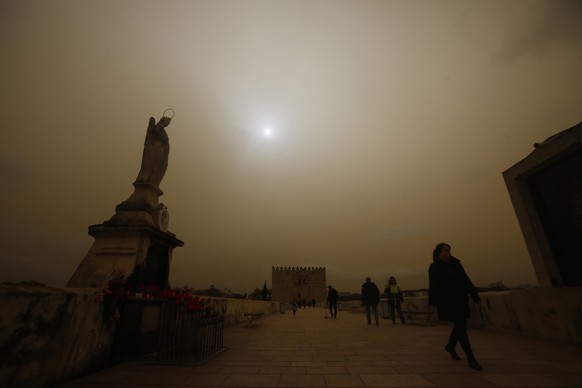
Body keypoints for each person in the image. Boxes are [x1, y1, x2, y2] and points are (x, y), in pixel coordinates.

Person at [429, 242, 483, 371]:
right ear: (439, 253)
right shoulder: (434, 267)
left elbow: (466, 279)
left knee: (460, 326)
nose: (449, 253)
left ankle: (451, 346)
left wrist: (474, 295)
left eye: (449, 250)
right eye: (446, 250)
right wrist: (432, 303)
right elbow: (433, 286)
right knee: (460, 327)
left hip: (460, 300)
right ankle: (470, 357)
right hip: (448, 301)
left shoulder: (456, 264)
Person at [135, 115, 171, 190]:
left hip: (160, 150)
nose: (167, 124)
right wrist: (163, 140)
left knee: (159, 167)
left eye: (168, 123)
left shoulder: (163, 131)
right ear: (163, 120)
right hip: (155, 148)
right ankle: (146, 179)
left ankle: (153, 181)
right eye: (167, 122)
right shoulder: (158, 127)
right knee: (151, 164)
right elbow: (156, 132)